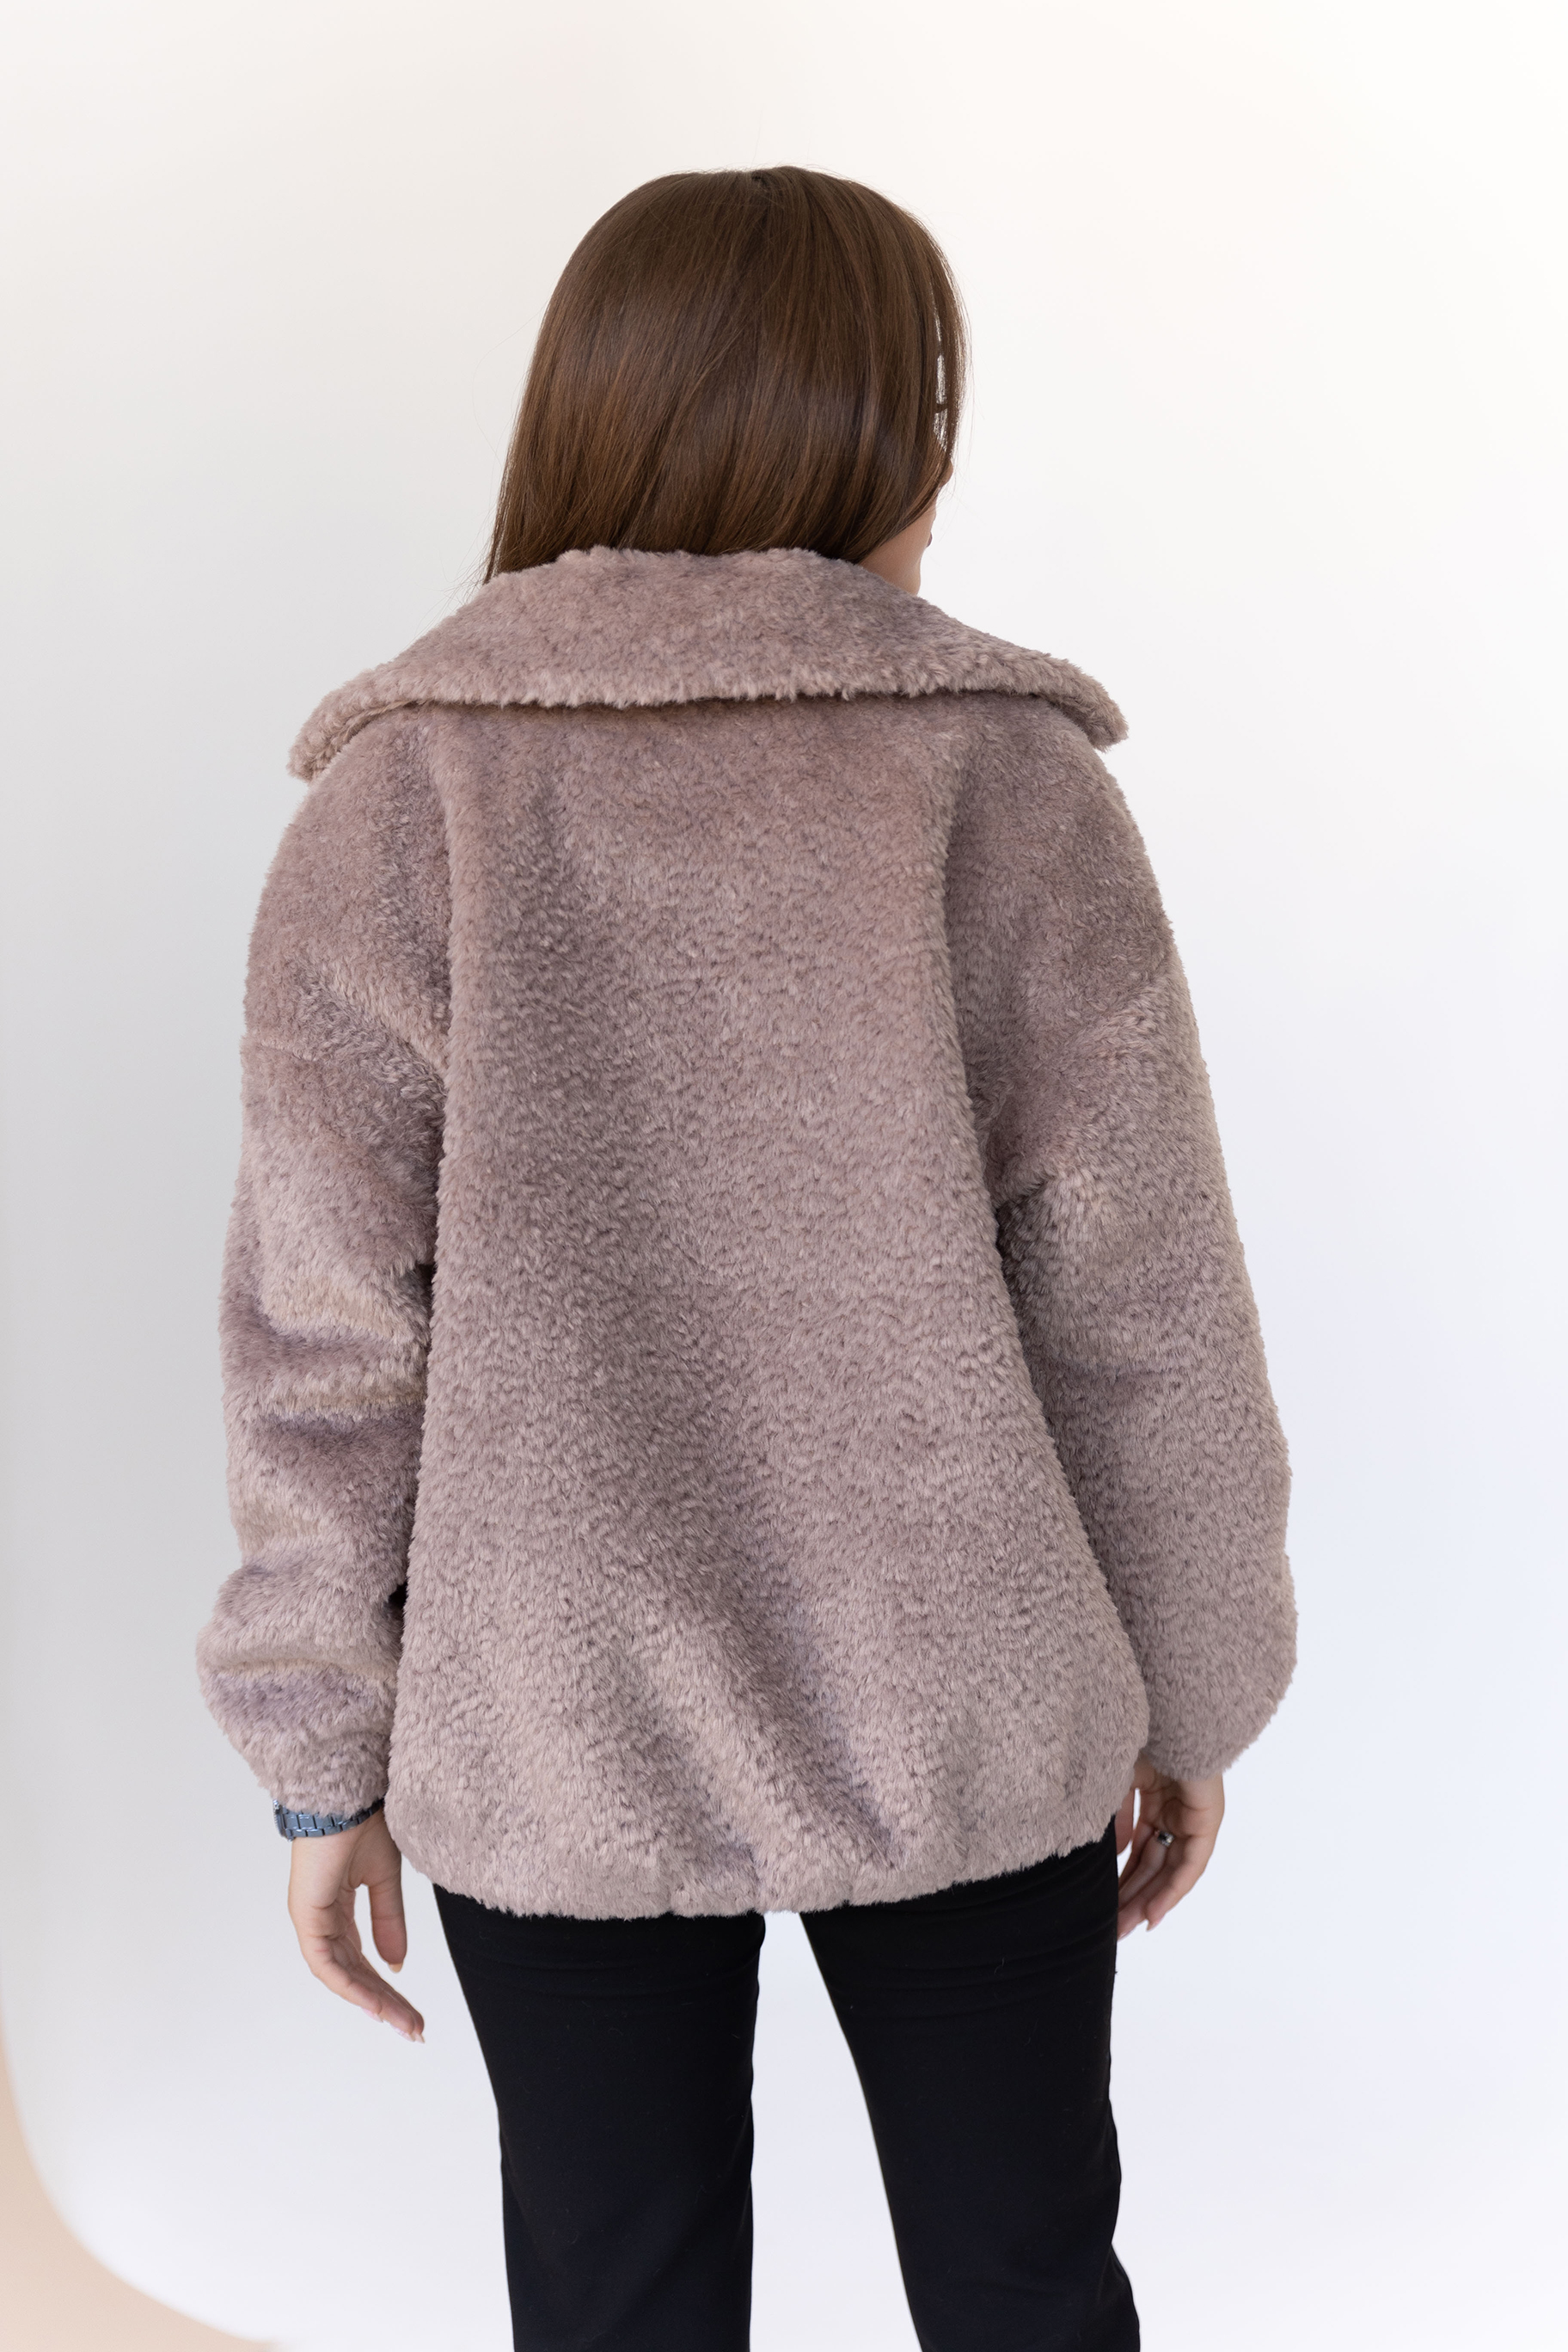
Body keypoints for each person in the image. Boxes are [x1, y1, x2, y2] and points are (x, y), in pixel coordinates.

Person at [198, 165, 1295, 2352]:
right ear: (873, 432)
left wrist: (325, 1760)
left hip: (550, 1720)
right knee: (1024, 2285)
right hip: (969, 1699)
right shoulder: (1006, 788)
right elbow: (1142, 1306)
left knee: (618, 2305)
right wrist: (1194, 1691)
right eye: (929, 406)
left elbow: (327, 1338)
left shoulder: (403, 800)